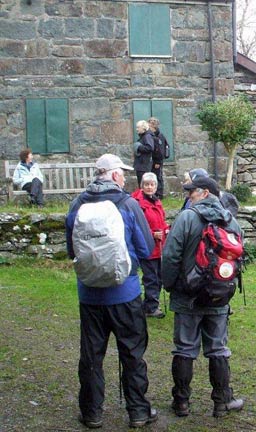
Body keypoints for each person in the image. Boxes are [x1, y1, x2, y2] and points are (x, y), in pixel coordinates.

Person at [65, 154, 158, 429]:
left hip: (89, 295)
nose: (125, 177)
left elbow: (72, 251)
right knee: (132, 352)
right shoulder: (128, 204)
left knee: (91, 355)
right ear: (115, 175)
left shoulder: (77, 204)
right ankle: (138, 412)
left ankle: (92, 412)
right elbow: (145, 249)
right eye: (122, 172)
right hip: (125, 294)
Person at [162, 176, 244, 419]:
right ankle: (222, 402)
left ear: (206, 193)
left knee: (185, 348)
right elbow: (239, 258)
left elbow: (170, 256)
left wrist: (169, 285)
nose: (189, 196)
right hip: (219, 296)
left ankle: (181, 403)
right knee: (218, 348)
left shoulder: (187, 218)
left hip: (187, 296)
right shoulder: (231, 221)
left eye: (192, 192)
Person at [131, 172, 170, 319]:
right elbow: (138, 226)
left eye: (152, 184)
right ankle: (151, 307)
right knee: (151, 278)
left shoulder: (156, 201)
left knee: (158, 277)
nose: (149, 187)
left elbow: (161, 221)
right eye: (146, 184)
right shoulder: (137, 203)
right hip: (147, 246)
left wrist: (166, 229)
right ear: (142, 186)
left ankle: (150, 304)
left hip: (159, 246)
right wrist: (153, 234)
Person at [148, 117, 169, 199]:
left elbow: (160, 151)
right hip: (153, 160)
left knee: (158, 177)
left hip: (157, 161)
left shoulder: (159, 136)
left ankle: (159, 194)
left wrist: (158, 162)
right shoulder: (153, 135)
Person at [134, 120, 155, 186]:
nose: (136, 129)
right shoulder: (144, 136)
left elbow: (150, 148)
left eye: (138, 127)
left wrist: (139, 147)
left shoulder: (147, 136)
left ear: (143, 127)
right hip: (142, 164)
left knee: (143, 185)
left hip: (144, 165)